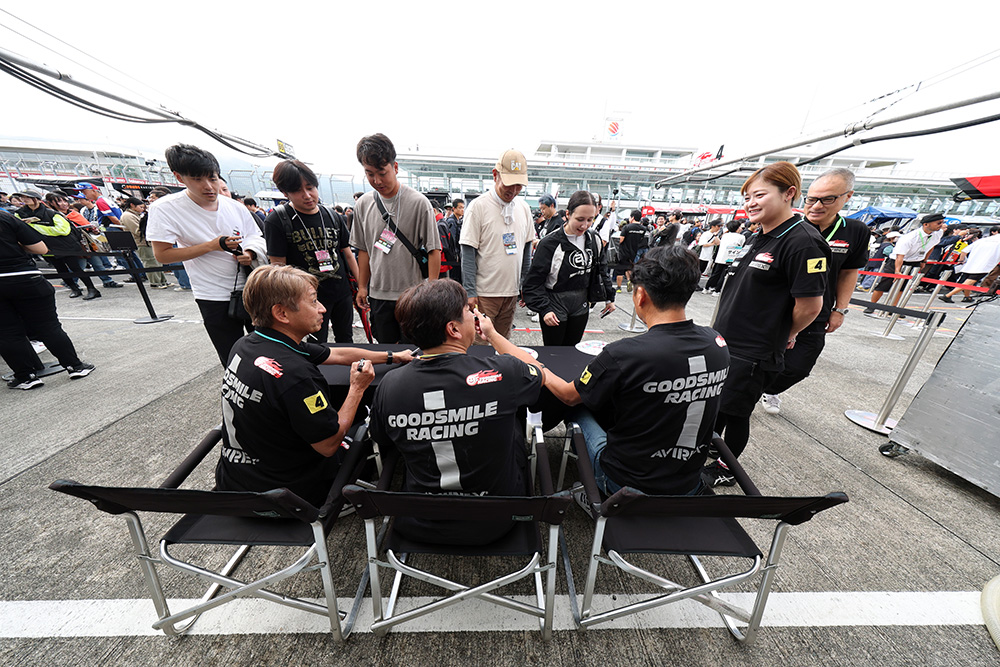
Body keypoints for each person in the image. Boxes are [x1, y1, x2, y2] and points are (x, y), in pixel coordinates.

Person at [369, 279, 552, 545]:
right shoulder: (504, 371)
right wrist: (493, 335)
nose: (475, 315)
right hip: (497, 519)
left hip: (421, 521)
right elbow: (539, 371)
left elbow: (382, 440)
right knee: (514, 420)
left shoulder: (389, 385)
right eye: (468, 311)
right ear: (453, 328)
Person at [215, 264, 412, 505]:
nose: (323, 308)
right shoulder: (295, 375)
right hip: (290, 495)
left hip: (236, 481)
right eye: (313, 301)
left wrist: (393, 356)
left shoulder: (247, 344)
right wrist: (357, 388)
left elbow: (335, 354)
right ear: (282, 313)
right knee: (366, 426)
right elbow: (328, 445)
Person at [560, 245, 730, 498]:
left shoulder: (625, 352)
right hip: (686, 482)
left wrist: (538, 369)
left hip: (625, 483)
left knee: (577, 408)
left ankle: (596, 492)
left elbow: (568, 395)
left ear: (640, 295)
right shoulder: (717, 343)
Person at [707, 162, 830, 486]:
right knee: (720, 406)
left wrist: (788, 333)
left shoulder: (803, 242)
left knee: (737, 412)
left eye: (759, 195)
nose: (751, 203)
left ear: (789, 193)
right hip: (728, 341)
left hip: (754, 350)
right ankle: (710, 448)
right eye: (747, 197)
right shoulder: (759, 235)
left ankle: (726, 469)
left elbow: (811, 305)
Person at [759, 168, 870, 415]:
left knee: (799, 366)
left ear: (847, 197)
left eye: (827, 199)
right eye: (811, 199)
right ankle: (749, 390)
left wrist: (840, 309)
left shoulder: (855, 231)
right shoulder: (788, 226)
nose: (817, 206)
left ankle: (768, 389)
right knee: (759, 358)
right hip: (777, 308)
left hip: (816, 310)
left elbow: (849, 272)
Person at [147, 144, 268, 365]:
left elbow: (255, 236)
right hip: (212, 294)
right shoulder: (165, 208)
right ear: (179, 177)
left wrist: (250, 252)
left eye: (212, 178)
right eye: (197, 179)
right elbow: (162, 255)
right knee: (232, 356)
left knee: (267, 350)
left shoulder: (235, 206)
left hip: (252, 287)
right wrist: (211, 246)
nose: (209, 186)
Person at [351, 133, 441, 344]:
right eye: (370, 174)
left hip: (412, 296)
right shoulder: (363, 204)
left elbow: (433, 250)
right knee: (385, 351)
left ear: (395, 167)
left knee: (415, 351)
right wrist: (362, 286)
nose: (377, 181)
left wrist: (431, 293)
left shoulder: (419, 203)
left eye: (382, 173)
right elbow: (363, 250)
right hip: (379, 295)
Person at [265, 159, 360, 344]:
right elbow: (278, 267)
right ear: (285, 192)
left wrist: (361, 287)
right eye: (297, 190)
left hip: (341, 293)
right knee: (314, 344)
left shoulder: (332, 216)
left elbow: (348, 254)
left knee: (346, 338)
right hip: (305, 300)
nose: (307, 195)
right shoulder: (277, 220)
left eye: (310, 188)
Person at [0, 209, 95, 389]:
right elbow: (41, 249)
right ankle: (74, 366)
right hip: (24, 276)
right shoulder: (6, 218)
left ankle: (26, 376)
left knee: (7, 333)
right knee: (48, 326)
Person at [460, 148, 534, 341]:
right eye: (509, 183)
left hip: (511, 293)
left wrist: (525, 285)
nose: (513, 190)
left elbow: (526, 249)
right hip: (484, 294)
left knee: (502, 342)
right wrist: (470, 291)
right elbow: (468, 251)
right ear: (495, 175)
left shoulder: (524, 208)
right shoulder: (478, 206)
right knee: (479, 343)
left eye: (519, 185)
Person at [523, 191, 615, 346]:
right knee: (553, 351)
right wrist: (544, 309)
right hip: (555, 302)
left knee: (573, 349)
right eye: (580, 219)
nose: (584, 225)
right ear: (568, 214)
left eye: (590, 220)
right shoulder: (549, 243)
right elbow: (533, 281)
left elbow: (601, 269)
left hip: (581, 303)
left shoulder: (594, 239)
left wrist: (609, 298)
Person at [15, 189, 101, 300]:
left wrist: (35, 226)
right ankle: (74, 288)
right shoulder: (20, 213)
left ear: (37, 199)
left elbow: (63, 230)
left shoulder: (51, 213)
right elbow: (21, 229)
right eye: (22, 197)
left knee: (75, 268)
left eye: (28, 197)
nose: (24, 199)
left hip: (65, 245)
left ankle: (92, 289)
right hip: (44, 246)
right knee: (60, 269)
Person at [864, 213, 945, 314]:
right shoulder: (910, 237)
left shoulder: (938, 233)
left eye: (942, 222)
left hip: (915, 262)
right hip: (897, 261)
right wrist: (897, 271)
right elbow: (900, 256)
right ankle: (872, 305)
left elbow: (931, 246)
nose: (941, 225)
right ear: (926, 224)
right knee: (884, 284)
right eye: (938, 223)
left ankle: (893, 308)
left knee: (903, 287)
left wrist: (924, 260)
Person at [56, 195, 124, 290]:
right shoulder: (57, 215)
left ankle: (107, 281)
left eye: (65, 201)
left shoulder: (74, 213)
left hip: (87, 242)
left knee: (97, 264)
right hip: (75, 244)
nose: (64, 204)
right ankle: (71, 283)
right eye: (60, 201)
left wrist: (92, 229)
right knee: (81, 265)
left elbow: (85, 224)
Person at [121, 196, 171, 288]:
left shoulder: (135, 214)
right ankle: (155, 283)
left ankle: (162, 281)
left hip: (147, 241)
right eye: (140, 207)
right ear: (132, 205)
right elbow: (137, 231)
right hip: (141, 242)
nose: (142, 209)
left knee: (156, 262)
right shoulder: (128, 216)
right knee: (150, 262)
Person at [939, 231, 1000, 303]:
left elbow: (964, 251)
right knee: (970, 281)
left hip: (971, 263)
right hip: (984, 265)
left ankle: (967, 297)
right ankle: (948, 295)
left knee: (968, 281)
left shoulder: (983, 240)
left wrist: (961, 260)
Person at [703, 220, 744, 294]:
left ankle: (707, 288)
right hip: (730, 258)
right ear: (737, 228)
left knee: (715, 274)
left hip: (720, 257)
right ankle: (717, 290)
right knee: (724, 275)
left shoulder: (725, 235)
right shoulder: (741, 237)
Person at [615, 209, 647, 292]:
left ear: (632, 217)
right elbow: (641, 239)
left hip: (623, 252)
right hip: (633, 251)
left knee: (620, 270)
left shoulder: (627, 227)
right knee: (629, 267)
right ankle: (629, 280)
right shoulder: (643, 229)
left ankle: (618, 288)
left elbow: (621, 240)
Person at [438, 198, 465, 282]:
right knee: (455, 278)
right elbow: (452, 240)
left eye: (463, 207)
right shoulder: (452, 221)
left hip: (456, 255)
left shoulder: (458, 220)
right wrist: (456, 254)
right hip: (454, 257)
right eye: (460, 207)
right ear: (454, 209)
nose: (462, 210)